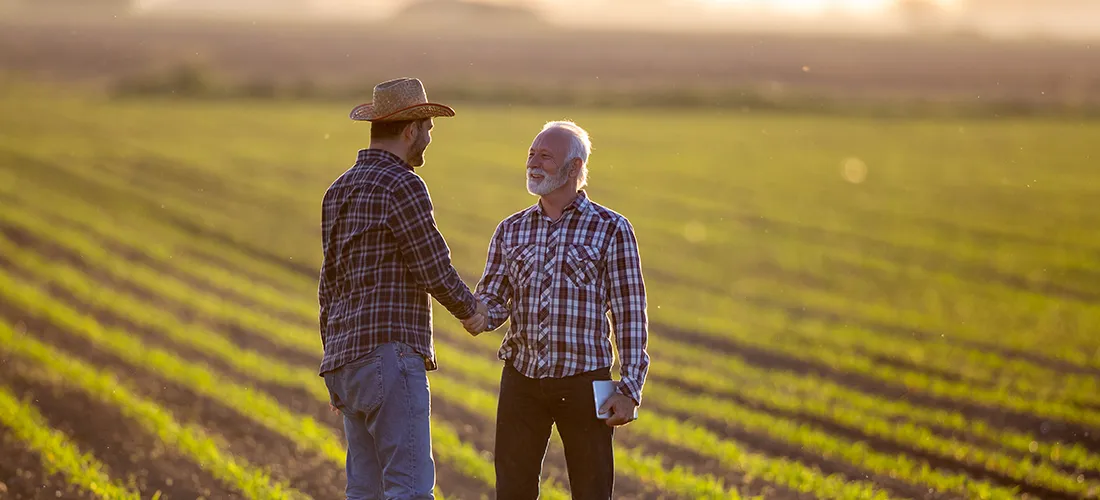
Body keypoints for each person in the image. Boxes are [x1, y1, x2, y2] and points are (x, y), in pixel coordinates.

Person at [318, 77, 487, 500]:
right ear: (410, 130)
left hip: (346, 361)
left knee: (364, 491)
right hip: (388, 357)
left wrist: (333, 362)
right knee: (408, 489)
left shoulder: (337, 190)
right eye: (427, 129)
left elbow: (329, 283)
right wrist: (472, 312)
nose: (429, 138)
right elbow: (432, 266)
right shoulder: (402, 184)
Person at [464, 120, 650, 500]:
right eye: (532, 154)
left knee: (592, 490)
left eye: (546, 157)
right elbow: (495, 298)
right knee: (512, 491)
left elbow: (630, 312)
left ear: (575, 168)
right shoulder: (510, 230)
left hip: (585, 380)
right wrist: (478, 312)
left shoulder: (611, 228)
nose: (534, 163)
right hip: (522, 379)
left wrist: (630, 388)